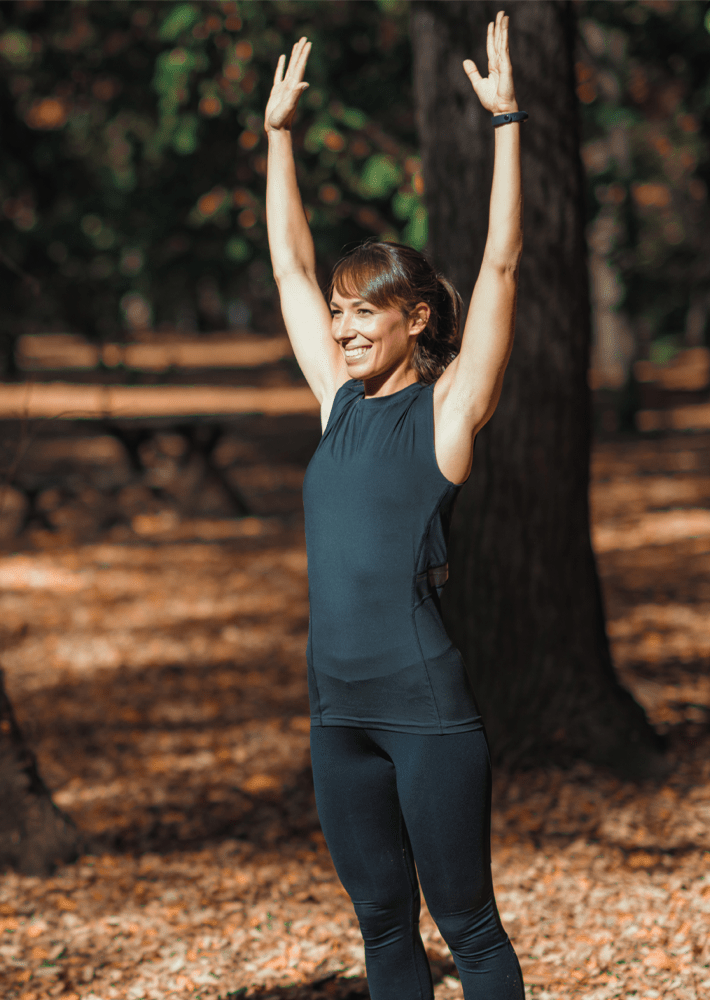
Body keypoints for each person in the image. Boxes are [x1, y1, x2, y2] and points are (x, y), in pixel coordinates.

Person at [264, 12, 525, 999]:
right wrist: (278, 138)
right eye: (338, 313)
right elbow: (288, 268)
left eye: (362, 310)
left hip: (425, 713)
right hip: (337, 712)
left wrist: (507, 126)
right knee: (380, 921)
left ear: (414, 318)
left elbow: (500, 267)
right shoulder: (336, 400)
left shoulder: (448, 411)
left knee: (468, 924)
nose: (341, 327)